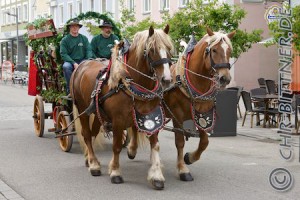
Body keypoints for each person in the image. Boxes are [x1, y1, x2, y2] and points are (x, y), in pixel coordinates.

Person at [60, 19, 93, 94]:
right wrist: (73, 63)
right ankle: (70, 89)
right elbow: (64, 54)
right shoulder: (65, 40)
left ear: (79, 28)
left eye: (76, 26)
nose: (75, 28)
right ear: (70, 28)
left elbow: (89, 50)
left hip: (82, 60)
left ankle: (87, 89)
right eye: (73, 26)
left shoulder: (84, 38)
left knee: (90, 68)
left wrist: (88, 60)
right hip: (70, 61)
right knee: (66, 67)